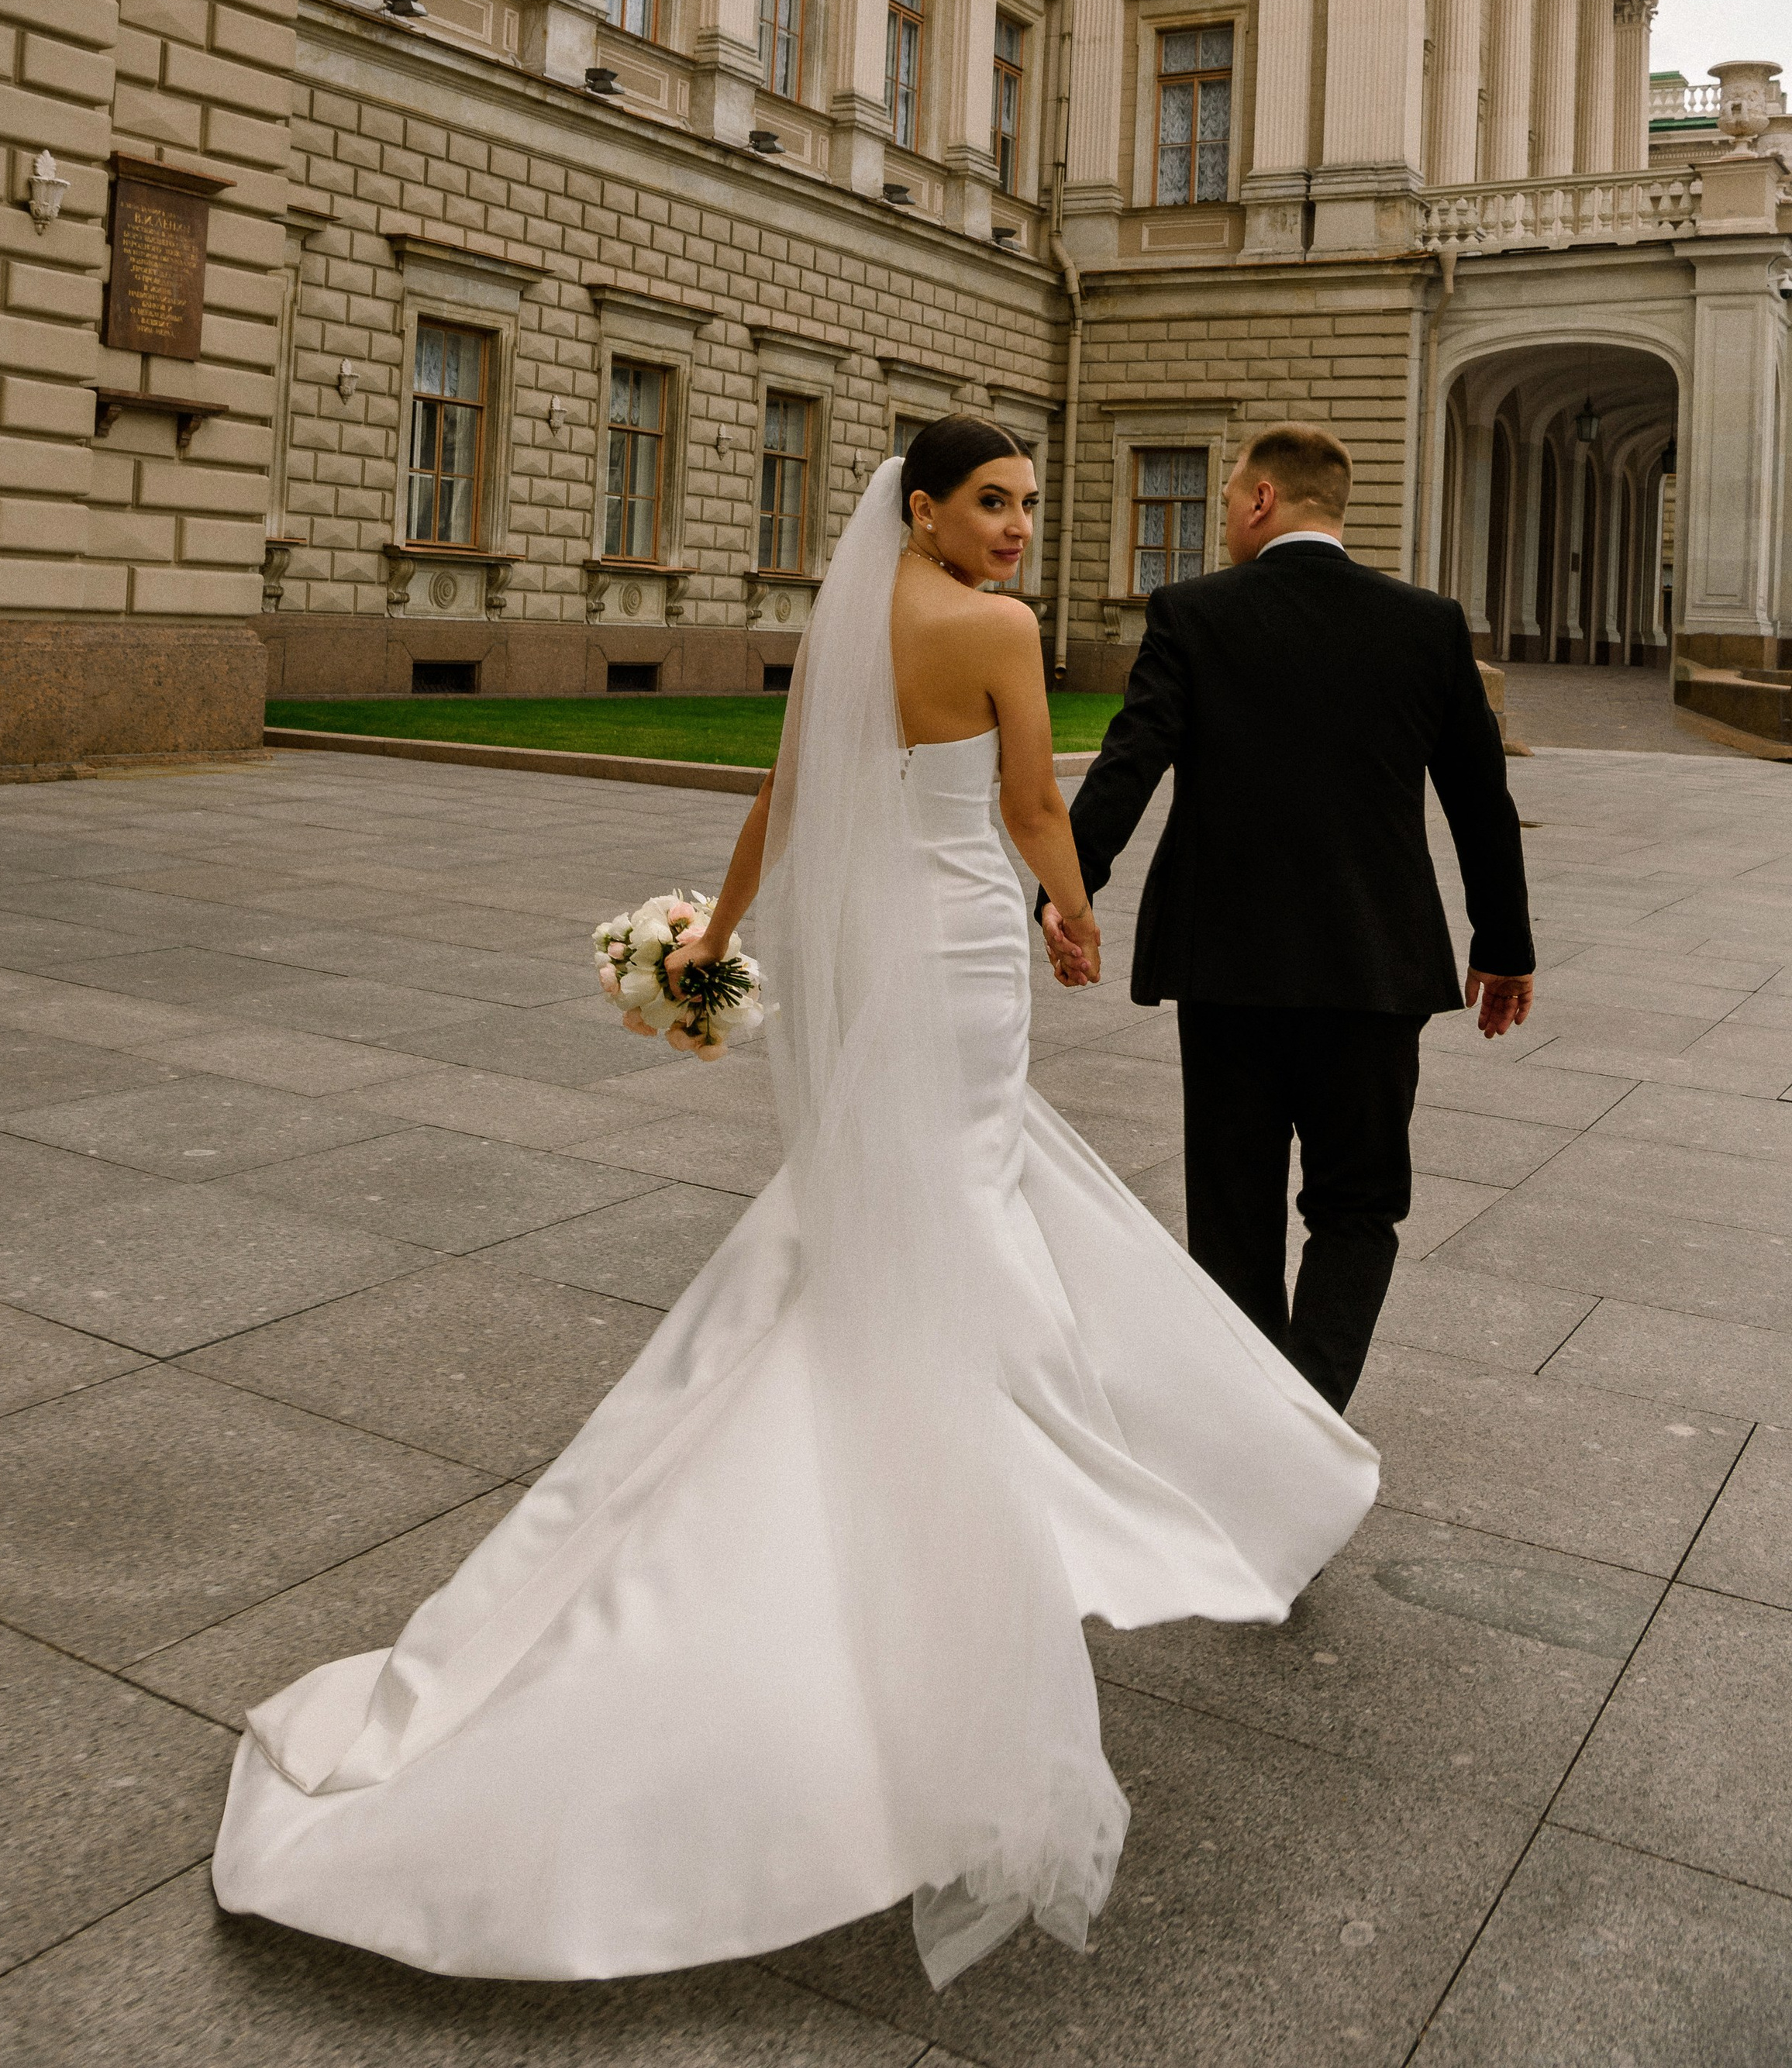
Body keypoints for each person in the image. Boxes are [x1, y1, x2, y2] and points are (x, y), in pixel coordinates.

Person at [212, 422, 1377, 1991]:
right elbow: (1034, 802)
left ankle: (968, 1407)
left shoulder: (843, 623)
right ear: (922, 506)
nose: (1018, 529)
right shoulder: (994, 629)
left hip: (857, 951)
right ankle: (995, 1460)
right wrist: (1076, 916)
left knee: (893, 1204)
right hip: (958, 946)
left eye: (1028, 506)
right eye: (992, 502)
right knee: (960, 1196)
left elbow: (778, 796)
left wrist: (718, 935)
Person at [1042, 420, 1535, 1416]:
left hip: (1226, 966)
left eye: (1226, 497)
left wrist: (1068, 888)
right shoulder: (1427, 623)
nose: (1225, 514)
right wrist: (1504, 945)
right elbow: (1479, 801)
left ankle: (1254, 1428)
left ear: (1261, 499)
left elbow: (1127, 761)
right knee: (1358, 1207)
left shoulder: (1192, 612)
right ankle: (1303, 1417)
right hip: (1374, 966)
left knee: (1231, 1216)